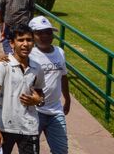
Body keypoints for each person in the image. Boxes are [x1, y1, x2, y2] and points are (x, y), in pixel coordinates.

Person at [0, 24, 46, 154]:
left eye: (29, 40)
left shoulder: (37, 68)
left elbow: (40, 92)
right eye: (21, 40)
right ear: (12, 43)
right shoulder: (3, 65)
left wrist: (38, 100)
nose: (25, 44)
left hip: (29, 127)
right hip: (4, 127)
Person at [29, 16, 71, 154]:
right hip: (34, 111)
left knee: (61, 150)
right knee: (31, 150)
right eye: (40, 33)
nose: (45, 36)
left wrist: (67, 99)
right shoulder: (29, 54)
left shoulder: (60, 52)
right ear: (32, 35)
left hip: (55, 110)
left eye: (48, 32)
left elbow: (63, 76)